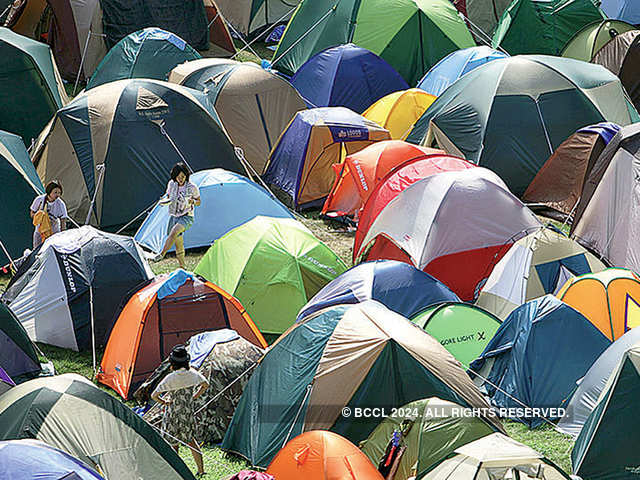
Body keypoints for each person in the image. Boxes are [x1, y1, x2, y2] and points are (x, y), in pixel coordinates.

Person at [151, 345, 209, 477]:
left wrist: (164, 402)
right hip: (187, 412)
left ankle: (176, 471)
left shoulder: (170, 378)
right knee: (191, 441)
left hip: (173, 413)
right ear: (186, 361)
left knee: (173, 443)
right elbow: (205, 385)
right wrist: (194, 396)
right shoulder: (193, 374)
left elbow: (154, 395)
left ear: (172, 364)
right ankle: (201, 470)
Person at [153, 163, 200, 268]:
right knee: (178, 244)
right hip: (174, 216)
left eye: (183, 177)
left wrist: (193, 201)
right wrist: (164, 201)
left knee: (174, 233)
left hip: (187, 216)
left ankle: (161, 254)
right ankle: (183, 267)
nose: (181, 179)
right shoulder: (171, 184)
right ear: (175, 176)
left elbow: (199, 201)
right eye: (178, 177)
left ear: (186, 176)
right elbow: (169, 197)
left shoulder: (192, 187)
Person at [30, 181, 68, 249]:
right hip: (40, 230)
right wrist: (39, 216)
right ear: (49, 192)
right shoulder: (39, 200)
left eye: (59, 193)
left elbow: (63, 220)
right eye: (55, 192)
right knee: (37, 248)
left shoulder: (61, 204)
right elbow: (32, 212)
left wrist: (63, 234)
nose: (57, 195)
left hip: (54, 230)